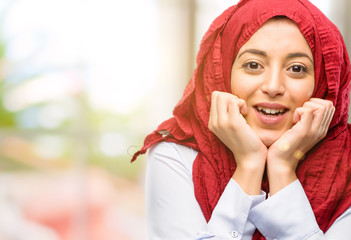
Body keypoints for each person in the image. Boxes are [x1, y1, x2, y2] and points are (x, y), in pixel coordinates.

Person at [131, 0, 351, 239]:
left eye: (296, 68)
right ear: (222, 72)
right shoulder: (174, 154)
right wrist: (249, 164)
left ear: (323, 84)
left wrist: (283, 167)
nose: (273, 86)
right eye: (253, 65)